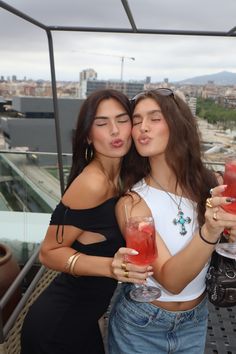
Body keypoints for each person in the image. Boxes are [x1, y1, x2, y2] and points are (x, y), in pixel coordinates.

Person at [20, 89, 152, 354]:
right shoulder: (93, 183)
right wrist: (112, 267)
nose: (115, 130)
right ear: (89, 136)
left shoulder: (123, 176)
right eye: (102, 124)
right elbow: (49, 253)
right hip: (57, 327)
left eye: (122, 120)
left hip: (84, 321)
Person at [108, 88, 236, 354]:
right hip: (142, 324)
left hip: (196, 320)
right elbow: (171, 280)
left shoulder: (209, 184)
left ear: (177, 125)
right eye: (136, 120)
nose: (143, 127)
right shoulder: (132, 203)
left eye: (155, 118)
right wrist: (210, 230)